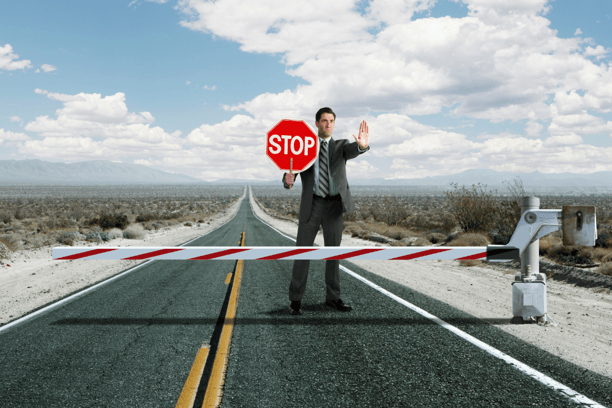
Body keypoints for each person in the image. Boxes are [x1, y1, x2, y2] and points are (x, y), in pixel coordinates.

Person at [282, 107, 370, 315]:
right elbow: (291, 172)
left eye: (331, 121)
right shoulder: (303, 148)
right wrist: (287, 181)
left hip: (333, 206)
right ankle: (295, 301)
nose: (328, 124)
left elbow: (353, 150)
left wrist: (362, 146)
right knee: (301, 252)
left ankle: (333, 298)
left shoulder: (340, 147)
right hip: (311, 204)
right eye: (324, 121)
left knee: (333, 253)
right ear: (317, 123)